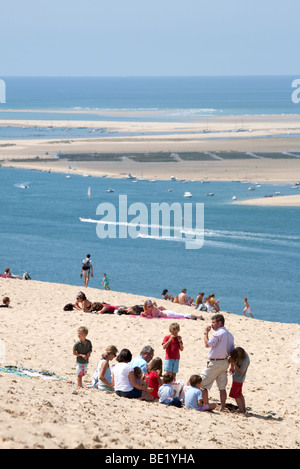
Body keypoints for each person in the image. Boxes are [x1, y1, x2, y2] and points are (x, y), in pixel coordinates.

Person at [201, 313, 235, 411]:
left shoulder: (218, 333)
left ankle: (206, 405)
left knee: (202, 384)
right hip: (224, 362)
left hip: (215, 362)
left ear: (220, 323)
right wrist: (231, 366)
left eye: (213, 322)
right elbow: (232, 352)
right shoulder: (230, 335)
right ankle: (222, 407)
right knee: (222, 387)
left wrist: (205, 333)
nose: (212, 325)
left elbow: (207, 344)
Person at [229, 347, 250, 413]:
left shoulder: (245, 360)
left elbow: (241, 371)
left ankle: (241, 410)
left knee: (236, 394)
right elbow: (233, 358)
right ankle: (243, 409)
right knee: (239, 394)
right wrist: (232, 366)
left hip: (239, 379)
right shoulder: (238, 353)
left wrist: (234, 364)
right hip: (237, 378)